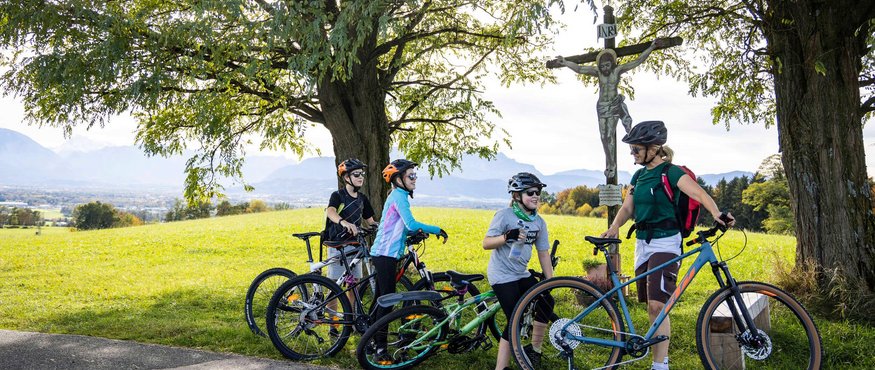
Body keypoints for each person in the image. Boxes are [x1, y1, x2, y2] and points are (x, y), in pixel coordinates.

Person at [600, 120, 735, 370]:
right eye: (631, 150)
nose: (633, 154)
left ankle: (660, 365)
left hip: (667, 241)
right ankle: (658, 358)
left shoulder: (671, 172)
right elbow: (629, 207)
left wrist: (717, 213)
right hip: (642, 243)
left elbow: (699, 194)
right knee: (650, 307)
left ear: (654, 148)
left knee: (658, 304)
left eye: (636, 149)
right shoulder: (639, 175)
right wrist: (615, 226)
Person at [555, 38, 667, 178]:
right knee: (603, 137)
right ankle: (609, 162)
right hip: (602, 107)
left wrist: (651, 48)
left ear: (612, 64)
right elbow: (579, 69)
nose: (605, 68)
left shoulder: (617, 71)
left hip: (614, 105)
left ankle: (612, 165)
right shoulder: (598, 73)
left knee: (609, 135)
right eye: (603, 66)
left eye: (608, 65)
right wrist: (565, 62)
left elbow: (637, 61)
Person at [370, 159, 448, 357]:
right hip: (385, 254)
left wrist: (411, 235)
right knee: (386, 302)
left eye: (415, 175)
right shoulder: (399, 196)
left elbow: (400, 226)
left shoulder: (398, 195)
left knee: (380, 299)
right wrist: (436, 229)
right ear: (398, 179)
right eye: (410, 176)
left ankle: (370, 340)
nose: (414, 179)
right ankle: (380, 348)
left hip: (384, 254)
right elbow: (411, 223)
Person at [483, 172, 554, 370]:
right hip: (502, 274)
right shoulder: (504, 216)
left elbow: (543, 253)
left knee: (547, 301)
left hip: (521, 273)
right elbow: (486, 243)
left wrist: (550, 281)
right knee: (516, 317)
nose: (536, 196)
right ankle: (501, 367)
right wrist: (506, 237)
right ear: (516, 195)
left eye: (538, 192)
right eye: (530, 192)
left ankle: (534, 349)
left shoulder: (539, 222)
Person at [323, 158, 377, 336]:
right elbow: (330, 211)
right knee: (334, 286)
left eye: (362, 174)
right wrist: (343, 221)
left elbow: (370, 221)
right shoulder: (338, 196)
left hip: (356, 247)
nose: (361, 177)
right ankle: (334, 325)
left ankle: (354, 323)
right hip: (338, 245)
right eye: (356, 174)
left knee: (353, 286)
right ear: (346, 177)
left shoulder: (362, 199)